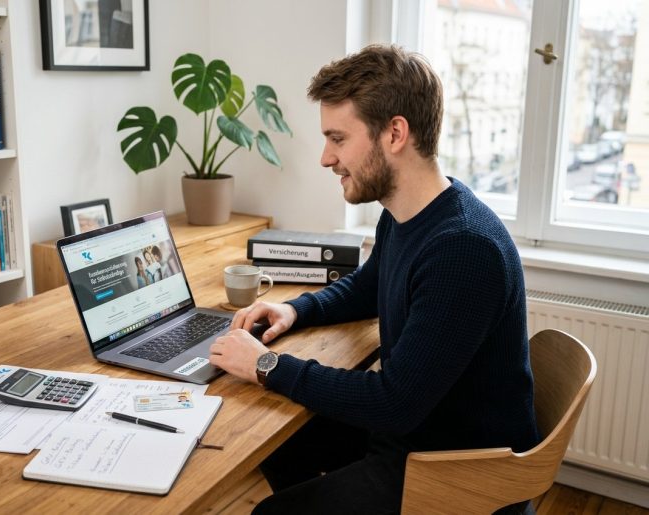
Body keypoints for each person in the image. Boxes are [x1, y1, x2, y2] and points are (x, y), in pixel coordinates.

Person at [209, 44, 539, 514]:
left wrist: (267, 366)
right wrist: (293, 309)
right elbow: (367, 288)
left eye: (338, 138)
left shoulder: (463, 248)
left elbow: (394, 403)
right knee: (280, 437)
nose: (326, 158)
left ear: (395, 134)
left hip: (454, 472)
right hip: (421, 432)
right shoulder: (407, 213)